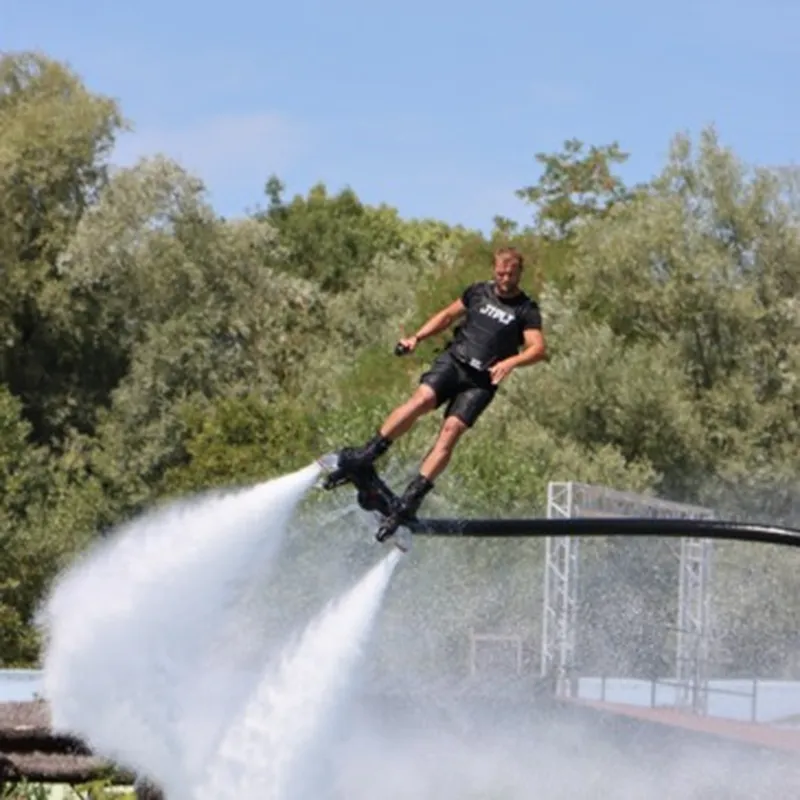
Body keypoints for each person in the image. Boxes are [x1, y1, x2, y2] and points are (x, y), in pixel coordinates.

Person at [336, 246, 547, 530]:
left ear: (520, 273)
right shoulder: (477, 292)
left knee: (450, 432)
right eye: (500, 272)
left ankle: (409, 500)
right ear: (494, 269)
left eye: (511, 273)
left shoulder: (526, 310)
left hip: (481, 382)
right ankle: (368, 454)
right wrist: (416, 338)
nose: (505, 278)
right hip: (454, 363)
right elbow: (447, 316)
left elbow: (537, 348)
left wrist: (512, 362)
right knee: (420, 401)